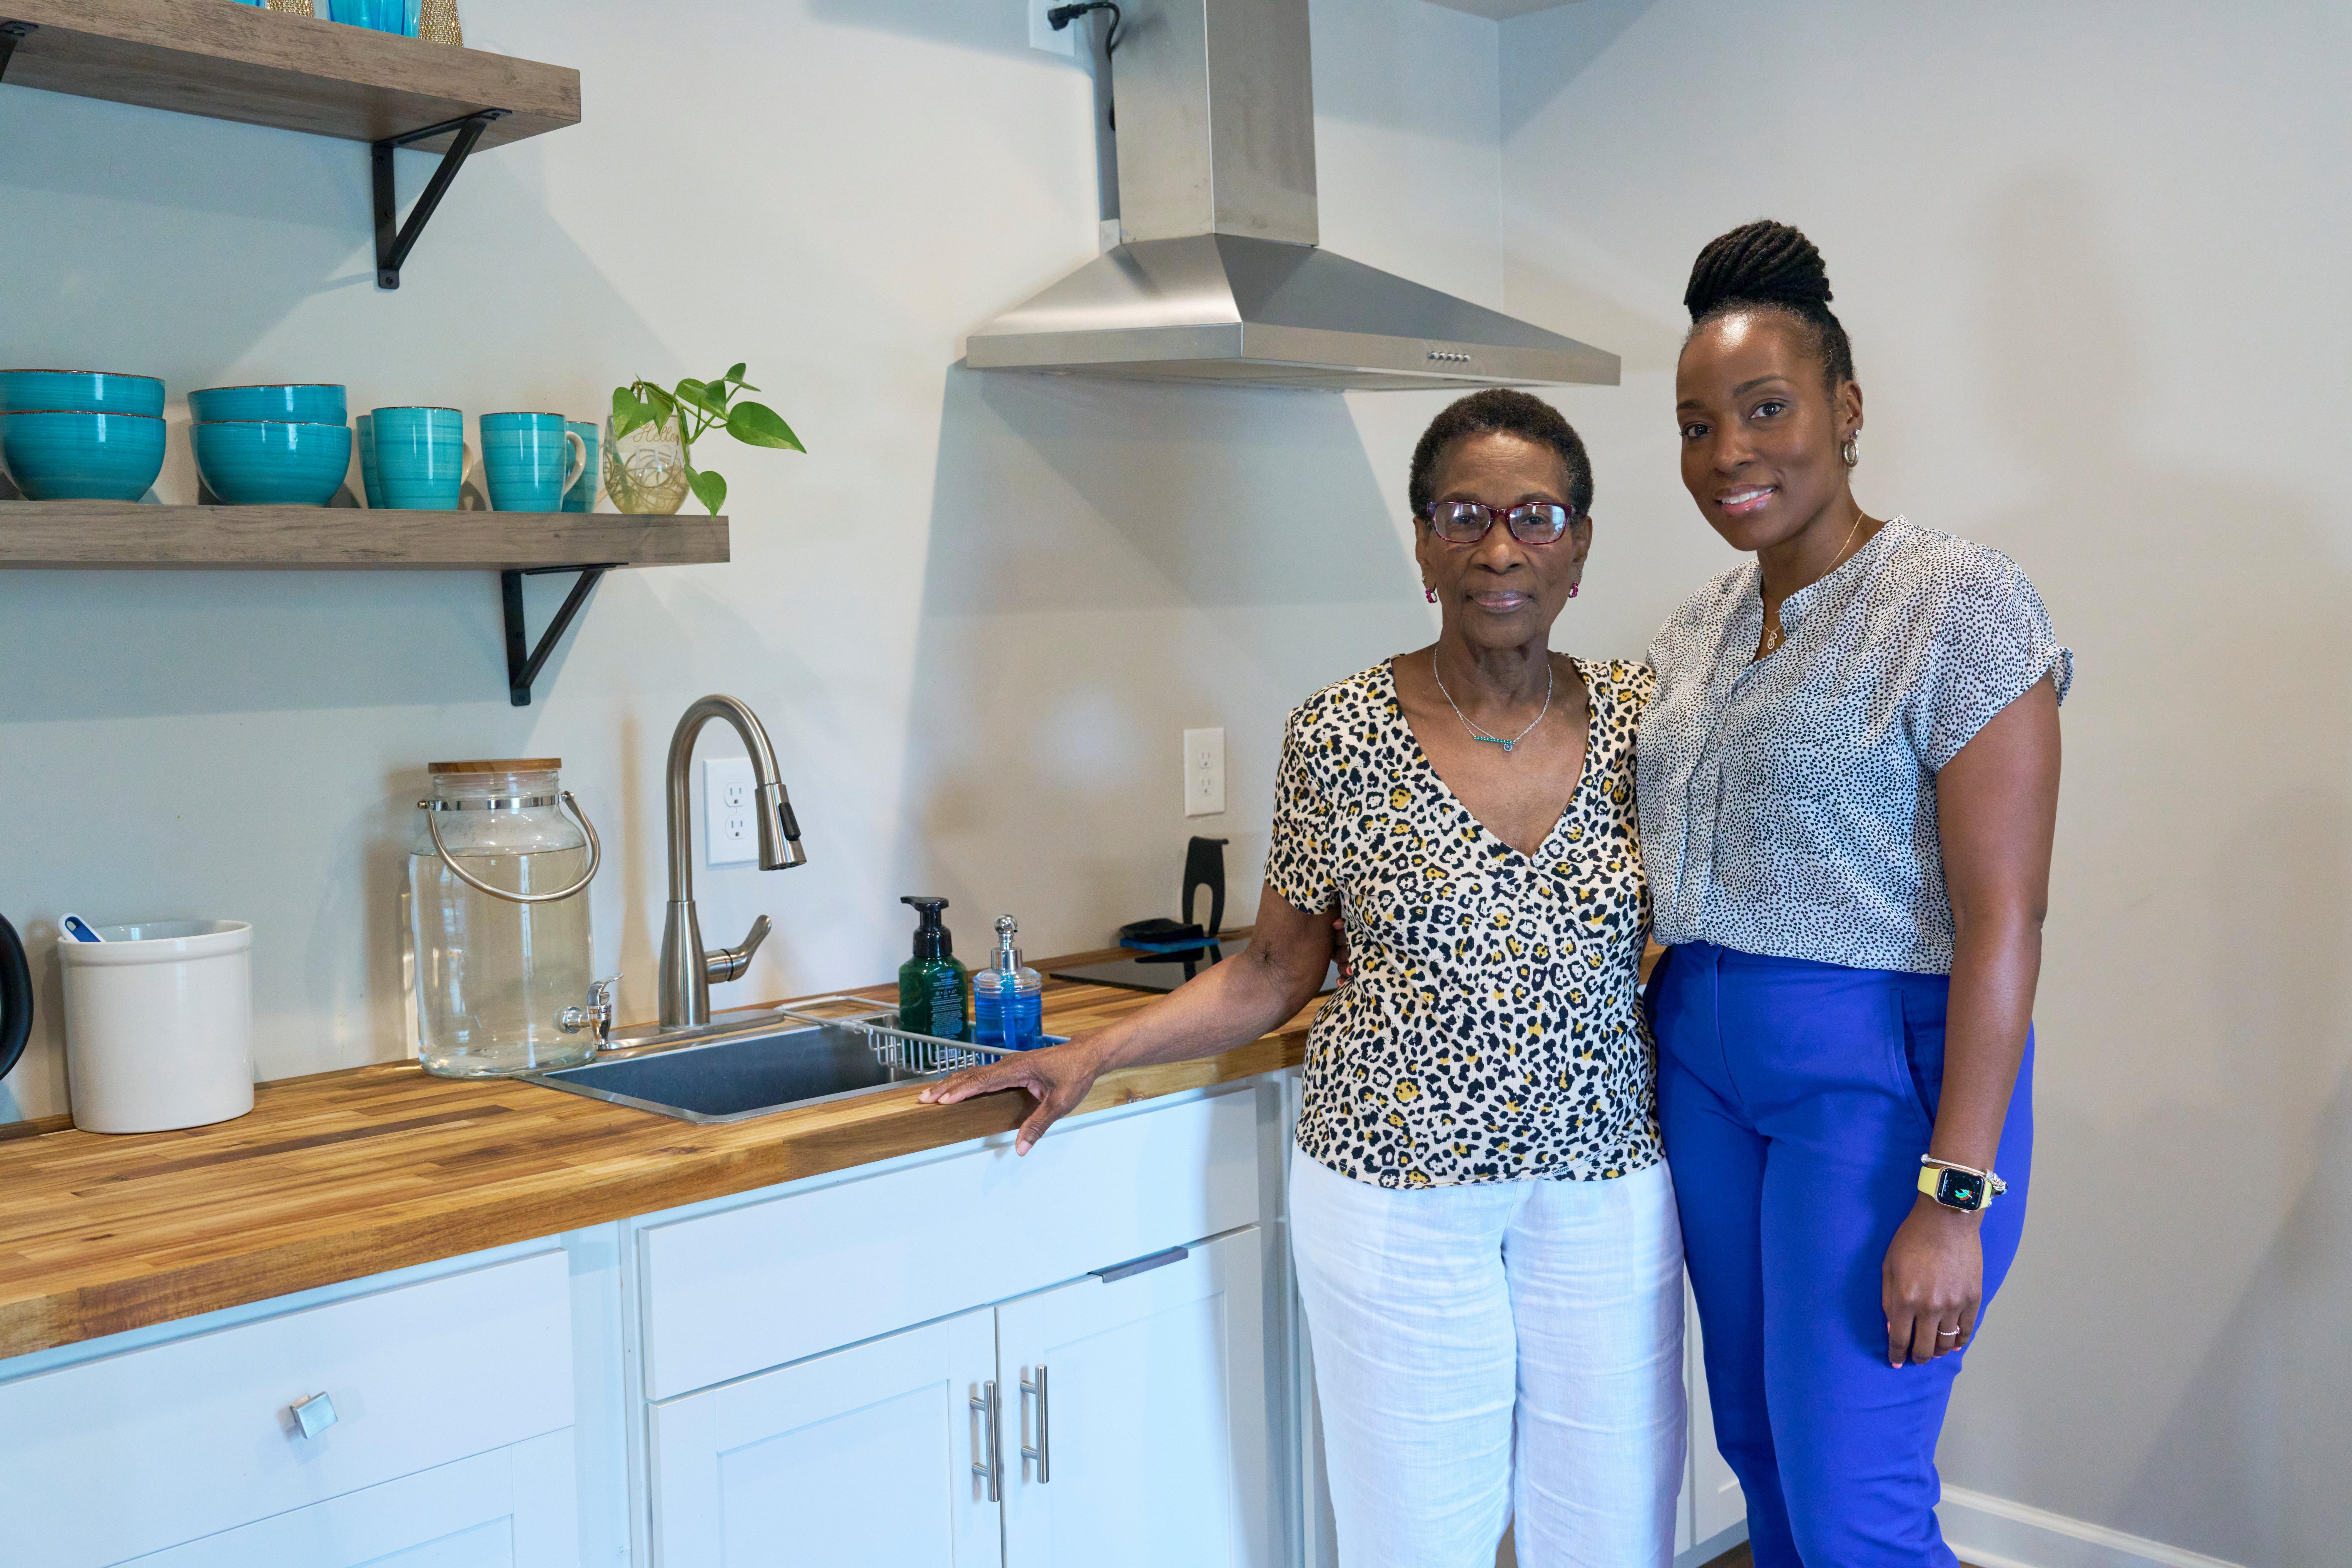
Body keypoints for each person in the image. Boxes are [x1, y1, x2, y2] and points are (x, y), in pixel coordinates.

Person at [924, 388, 1684, 1567]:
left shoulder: (1650, 719)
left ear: (1578, 545)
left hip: (1603, 1188)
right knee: (1415, 1537)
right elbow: (1274, 969)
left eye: (1534, 515)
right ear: (1424, 546)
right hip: (1393, 1195)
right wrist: (1092, 1052)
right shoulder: (1335, 732)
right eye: (1462, 514)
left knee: (1613, 1530)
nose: (1499, 545)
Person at [1640, 219, 2069, 1567]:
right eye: (1696, 424)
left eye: (1764, 409)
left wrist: (1954, 1193)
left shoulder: (1959, 604)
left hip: (1869, 1085)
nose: (1730, 454)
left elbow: (2006, 920)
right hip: (1702, 1068)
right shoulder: (1696, 625)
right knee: (1761, 1452)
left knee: (1851, 1505)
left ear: (1845, 408)